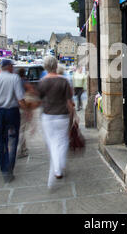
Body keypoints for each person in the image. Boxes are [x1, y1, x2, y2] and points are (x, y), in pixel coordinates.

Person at [0, 59, 26, 183]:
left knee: (2, 140)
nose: (13, 68)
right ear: (8, 67)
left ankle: (3, 167)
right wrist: (27, 111)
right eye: (12, 66)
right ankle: (9, 168)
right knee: (13, 140)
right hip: (12, 112)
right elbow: (20, 99)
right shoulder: (14, 78)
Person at [36, 56, 74, 189]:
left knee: (52, 143)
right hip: (62, 116)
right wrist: (73, 115)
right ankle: (59, 167)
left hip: (47, 117)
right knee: (63, 142)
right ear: (56, 65)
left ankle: (57, 168)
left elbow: (38, 101)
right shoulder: (64, 81)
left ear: (45, 66)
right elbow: (70, 102)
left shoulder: (42, 82)